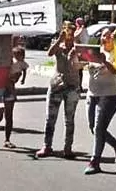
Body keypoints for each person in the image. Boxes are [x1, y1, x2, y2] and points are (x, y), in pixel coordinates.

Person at [35, 22, 83, 159]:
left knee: (69, 119)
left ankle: (68, 148)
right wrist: (59, 40)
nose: (69, 34)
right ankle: (47, 146)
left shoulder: (78, 47)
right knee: (50, 118)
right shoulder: (59, 45)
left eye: (72, 32)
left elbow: (84, 61)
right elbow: (49, 53)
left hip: (72, 86)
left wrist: (75, 50)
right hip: (57, 85)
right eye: (67, 31)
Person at [84, 28, 116, 175]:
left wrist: (104, 61)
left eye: (109, 36)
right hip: (92, 93)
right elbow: (83, 65)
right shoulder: (94, 50)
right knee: (93, 127)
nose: (106, 38)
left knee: (98, 128)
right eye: (103, 35)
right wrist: (75, 58)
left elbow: (115, 70)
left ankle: (95, 161)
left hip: (110, 95)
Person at [73, 18, 88, 93]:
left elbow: (85, 40)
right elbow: (74, 37)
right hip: (75, 51)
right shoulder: (76, 30)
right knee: (74, 69)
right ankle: (75, 85)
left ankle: (79, 85)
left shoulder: (84, 30)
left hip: (81, 51)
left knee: (79, 70)